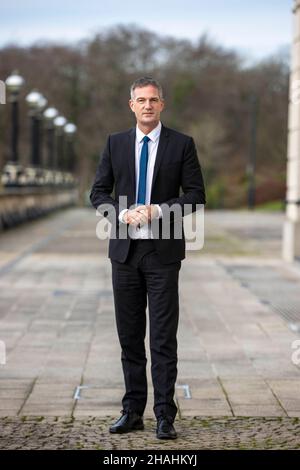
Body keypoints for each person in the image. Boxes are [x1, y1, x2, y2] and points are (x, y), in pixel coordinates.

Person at [90, 77, 205, 439]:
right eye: (141, 100)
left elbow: (196, 196)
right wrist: (120, 214)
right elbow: (97, 192)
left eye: (153, 100)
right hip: (124, 254)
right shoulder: (115, 143)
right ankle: (132, 411)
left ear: (162, 104)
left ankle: (164, 415)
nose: (147, 105)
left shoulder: (182, 144)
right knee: (129, 337)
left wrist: (158, 210)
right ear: (132, 105)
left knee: (162, 338)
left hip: (163, 254)